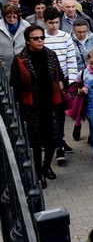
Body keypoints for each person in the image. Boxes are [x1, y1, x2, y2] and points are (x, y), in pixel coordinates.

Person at [10, 25, 65, 188]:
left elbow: (59, 73)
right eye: (36, 38)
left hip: (52, 103)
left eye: (42, 38)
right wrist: (21, 104)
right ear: (28, 41)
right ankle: (38, 170)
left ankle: (47, 166)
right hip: (31, 106)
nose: (40, 41)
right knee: (35, 141)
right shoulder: (20, 59)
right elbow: (14, 83)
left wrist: (61, 82)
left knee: (52, 137)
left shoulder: (50, 55)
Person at [0, 3, 29, 77]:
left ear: (18, 16)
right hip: (3, 64)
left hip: (22, 63)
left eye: (14, 17)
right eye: (8, 17)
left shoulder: (26, 26)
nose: (12, 19)